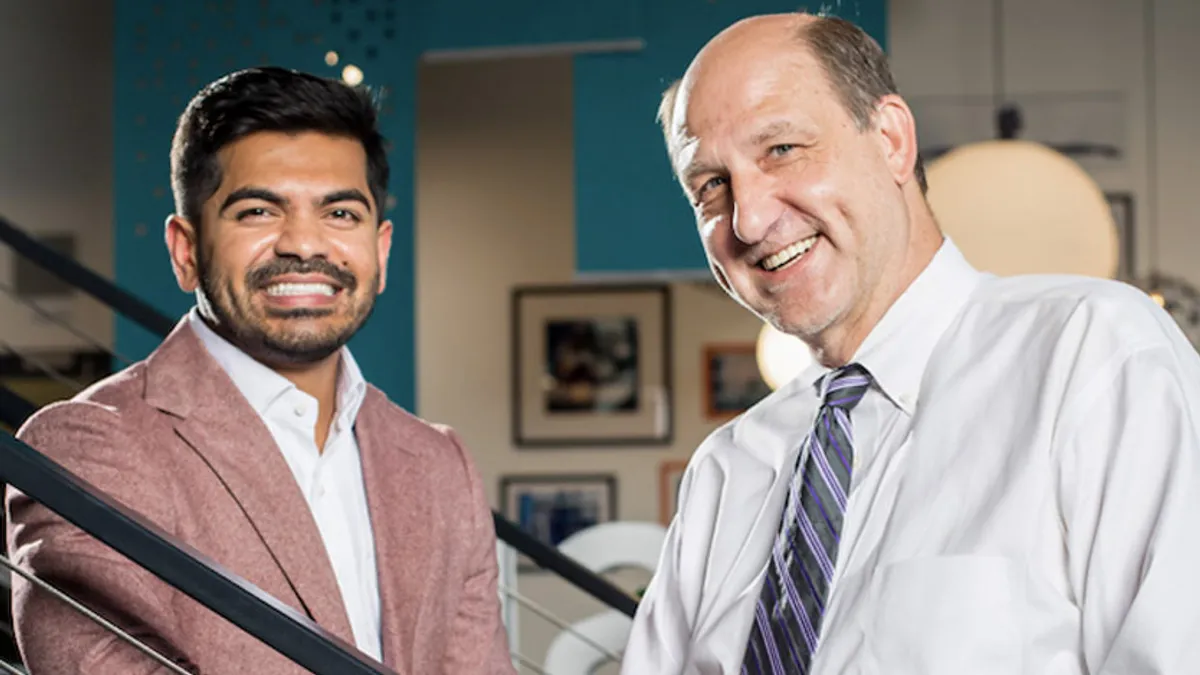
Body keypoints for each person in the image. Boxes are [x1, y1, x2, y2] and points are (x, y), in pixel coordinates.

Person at [622, 12, 1200, 675]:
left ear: (892, 139)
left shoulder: (1092, 356)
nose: (749, 218)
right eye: (711, 185)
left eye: (782, 149)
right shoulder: (727, 468)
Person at [6, 66, 516, 675]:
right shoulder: (89, 451)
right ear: (186, 250)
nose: (304, 243)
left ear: (379, 251)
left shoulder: (440, 465)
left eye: (341, 215)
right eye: (256, 212)